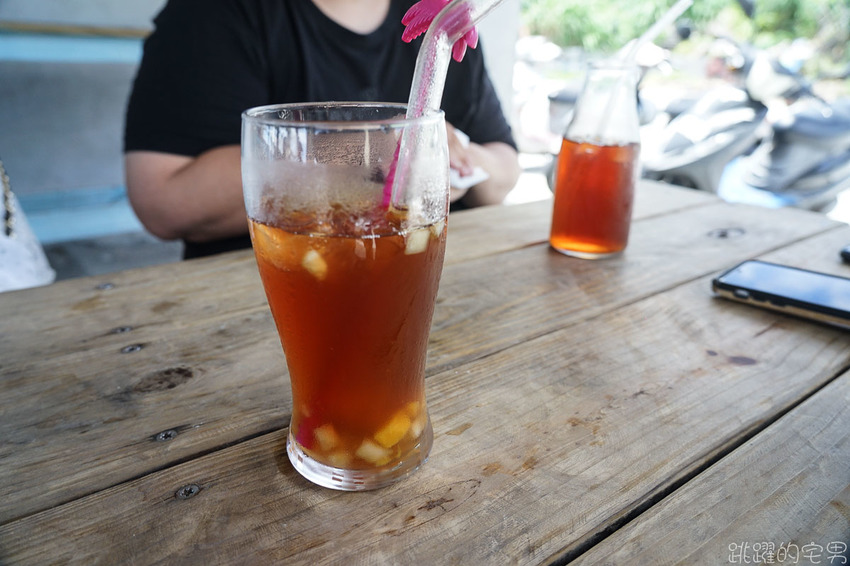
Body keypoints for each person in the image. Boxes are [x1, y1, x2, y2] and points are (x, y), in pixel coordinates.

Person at [124, 0, 521, 259]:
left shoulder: (438, 22)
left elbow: (504, 170)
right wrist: (367, 151)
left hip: (434, 282)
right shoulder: (214, 15)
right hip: (263, 293)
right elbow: (162, 201)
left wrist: (450, 161)